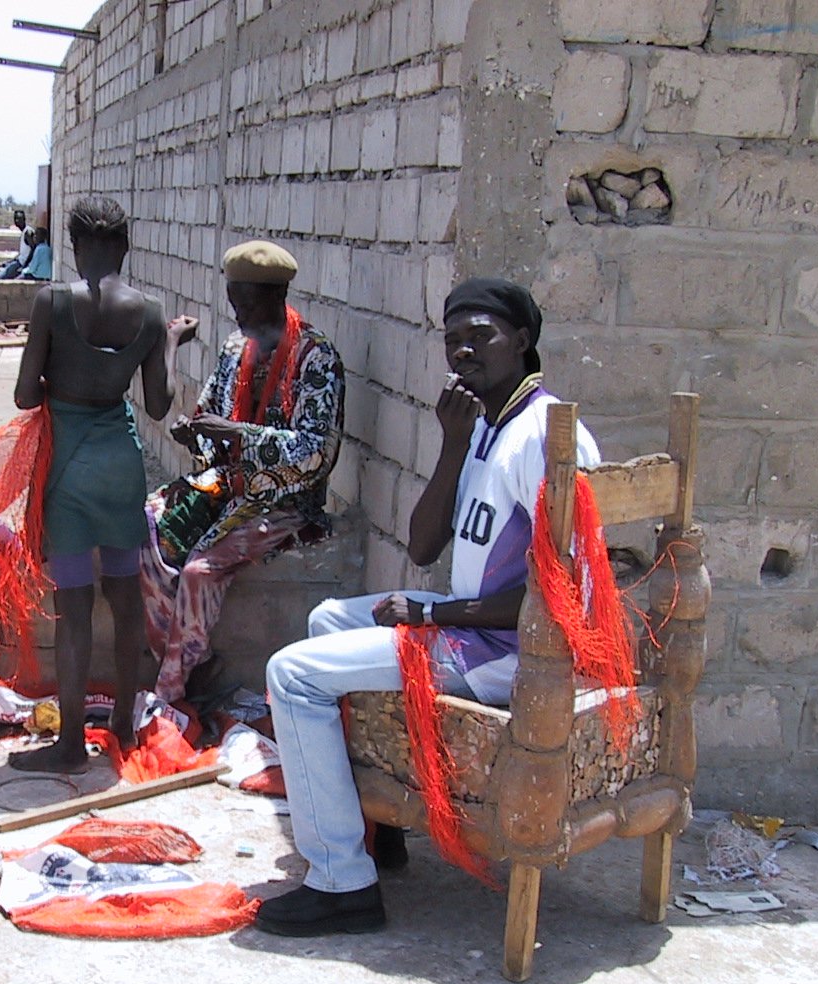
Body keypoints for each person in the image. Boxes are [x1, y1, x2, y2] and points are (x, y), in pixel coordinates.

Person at [255, 278, 601, 937]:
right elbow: (420, 545)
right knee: (328, 620)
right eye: (453, 340)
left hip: (508, 650)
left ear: (523, 342)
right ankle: (377, 825)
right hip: (468, 623)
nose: (463, 351)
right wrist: (450, 443)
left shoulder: (548, 438)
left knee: (291, 674)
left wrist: (433, 619)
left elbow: (559, 602)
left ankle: (340, 883)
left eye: (481, 336)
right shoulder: (485, 423)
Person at [8, 196, 197, 773]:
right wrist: (167, 341)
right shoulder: (149, 311)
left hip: (68, 462)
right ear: (125, 246)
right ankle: (123, 722)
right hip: (121, 460)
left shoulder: (52, 301)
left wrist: (60, 381)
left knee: (74, 602)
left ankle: (69, 746)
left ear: (73, 244)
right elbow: (159, 406)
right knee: (123, 596)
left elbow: (22, 395)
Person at [140, 240, 345, 704]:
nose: (236, 314)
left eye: (244, 303)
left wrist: (238, 434)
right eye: (232, 301)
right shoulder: (238, 347)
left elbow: (315, 453)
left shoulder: (316, 358)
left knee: (200, 571)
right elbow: (211, 416)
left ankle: (171, 691)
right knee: (144, 528)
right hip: (227, 488)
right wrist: (195, 435)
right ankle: (193, 661)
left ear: (276, 297)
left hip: (286, 503)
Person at [0, 209, 33, 279]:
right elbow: (23, 253)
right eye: (15, 219)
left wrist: (25, 266)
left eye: (19, 219)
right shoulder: (23, 232)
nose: (17, 221)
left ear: (24, 219)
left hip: (21, 264)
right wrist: (8, 262)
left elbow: (33, 250)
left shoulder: (28, 232)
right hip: (18, 262)